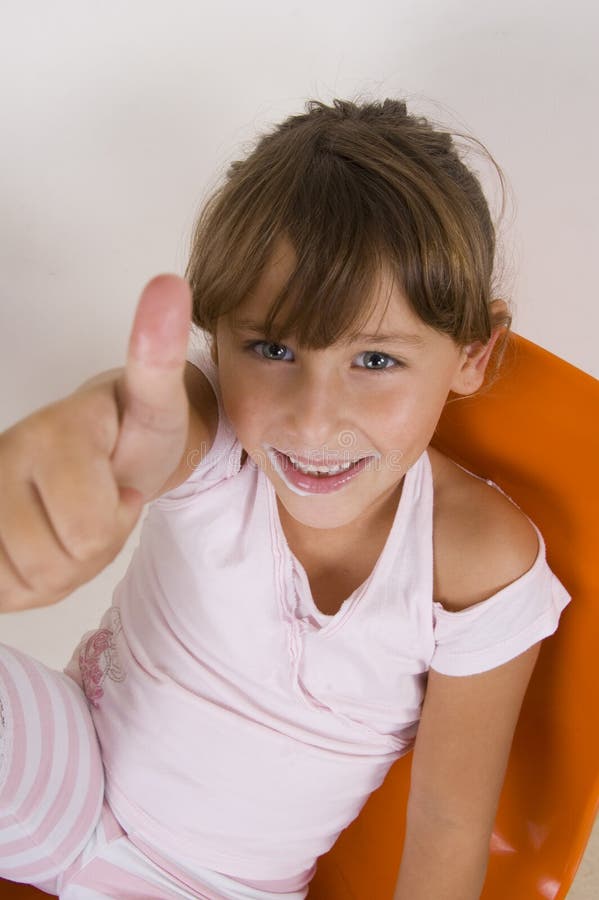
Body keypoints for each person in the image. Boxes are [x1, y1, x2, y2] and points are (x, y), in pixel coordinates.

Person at [0, 98, 572, 900]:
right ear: (215, 335)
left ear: (474, 352)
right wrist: (77, 437)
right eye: (271, 348)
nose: (311, 419)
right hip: (68, 775)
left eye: (374, 361)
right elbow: (140, 425)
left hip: (220, 888)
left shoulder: (479, 560)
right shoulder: (210, 436)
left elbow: (447, 824)